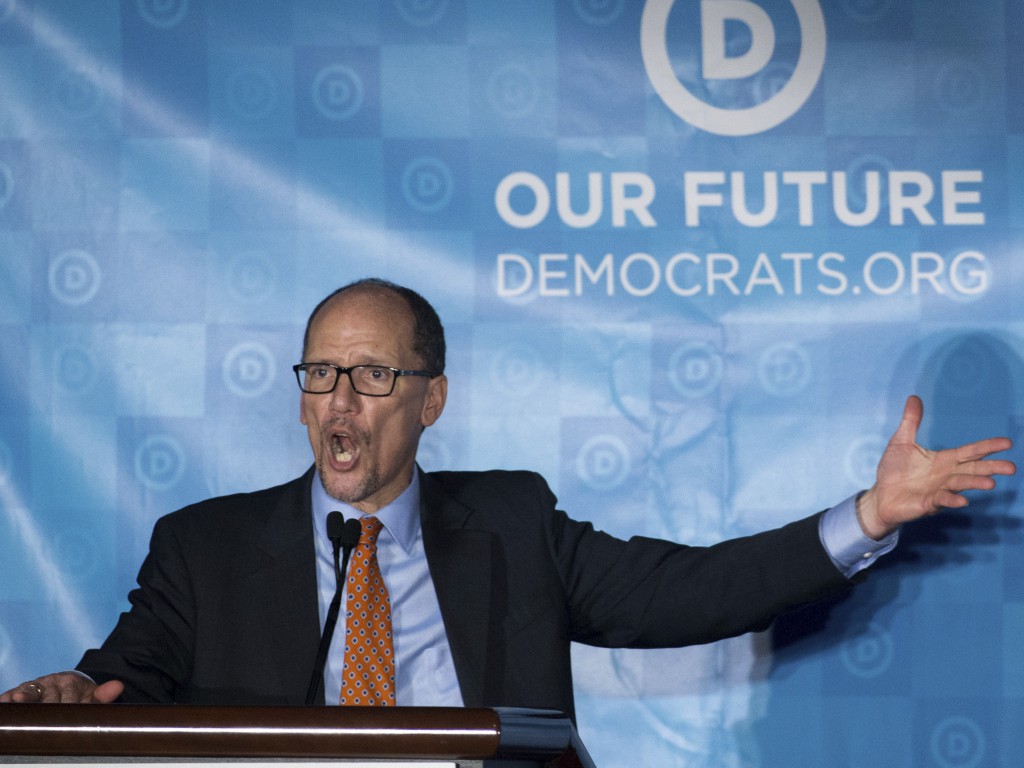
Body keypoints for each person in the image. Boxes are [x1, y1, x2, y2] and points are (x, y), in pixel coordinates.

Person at [1, 278, 1016, 717]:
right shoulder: (204, 548)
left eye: (372, 376)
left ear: (431, 399)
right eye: (320, 375)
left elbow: (684, 593)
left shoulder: (512, 524)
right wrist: (69, 694)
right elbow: (120, 682)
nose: (339, 402)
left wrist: (866, 516)